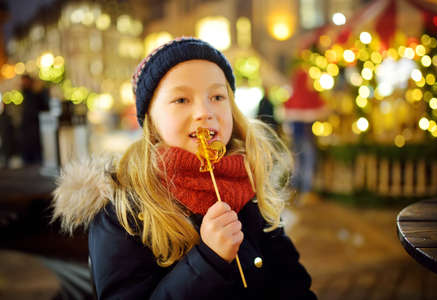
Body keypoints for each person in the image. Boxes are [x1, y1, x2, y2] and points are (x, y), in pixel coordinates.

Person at [52, 37, 316, 299]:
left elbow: (294, 284)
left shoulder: (249, 185)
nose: (204, 111)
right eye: (181, 100)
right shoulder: (124, 212)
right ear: (151, 121)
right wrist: (208, 261)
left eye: (217, 96)